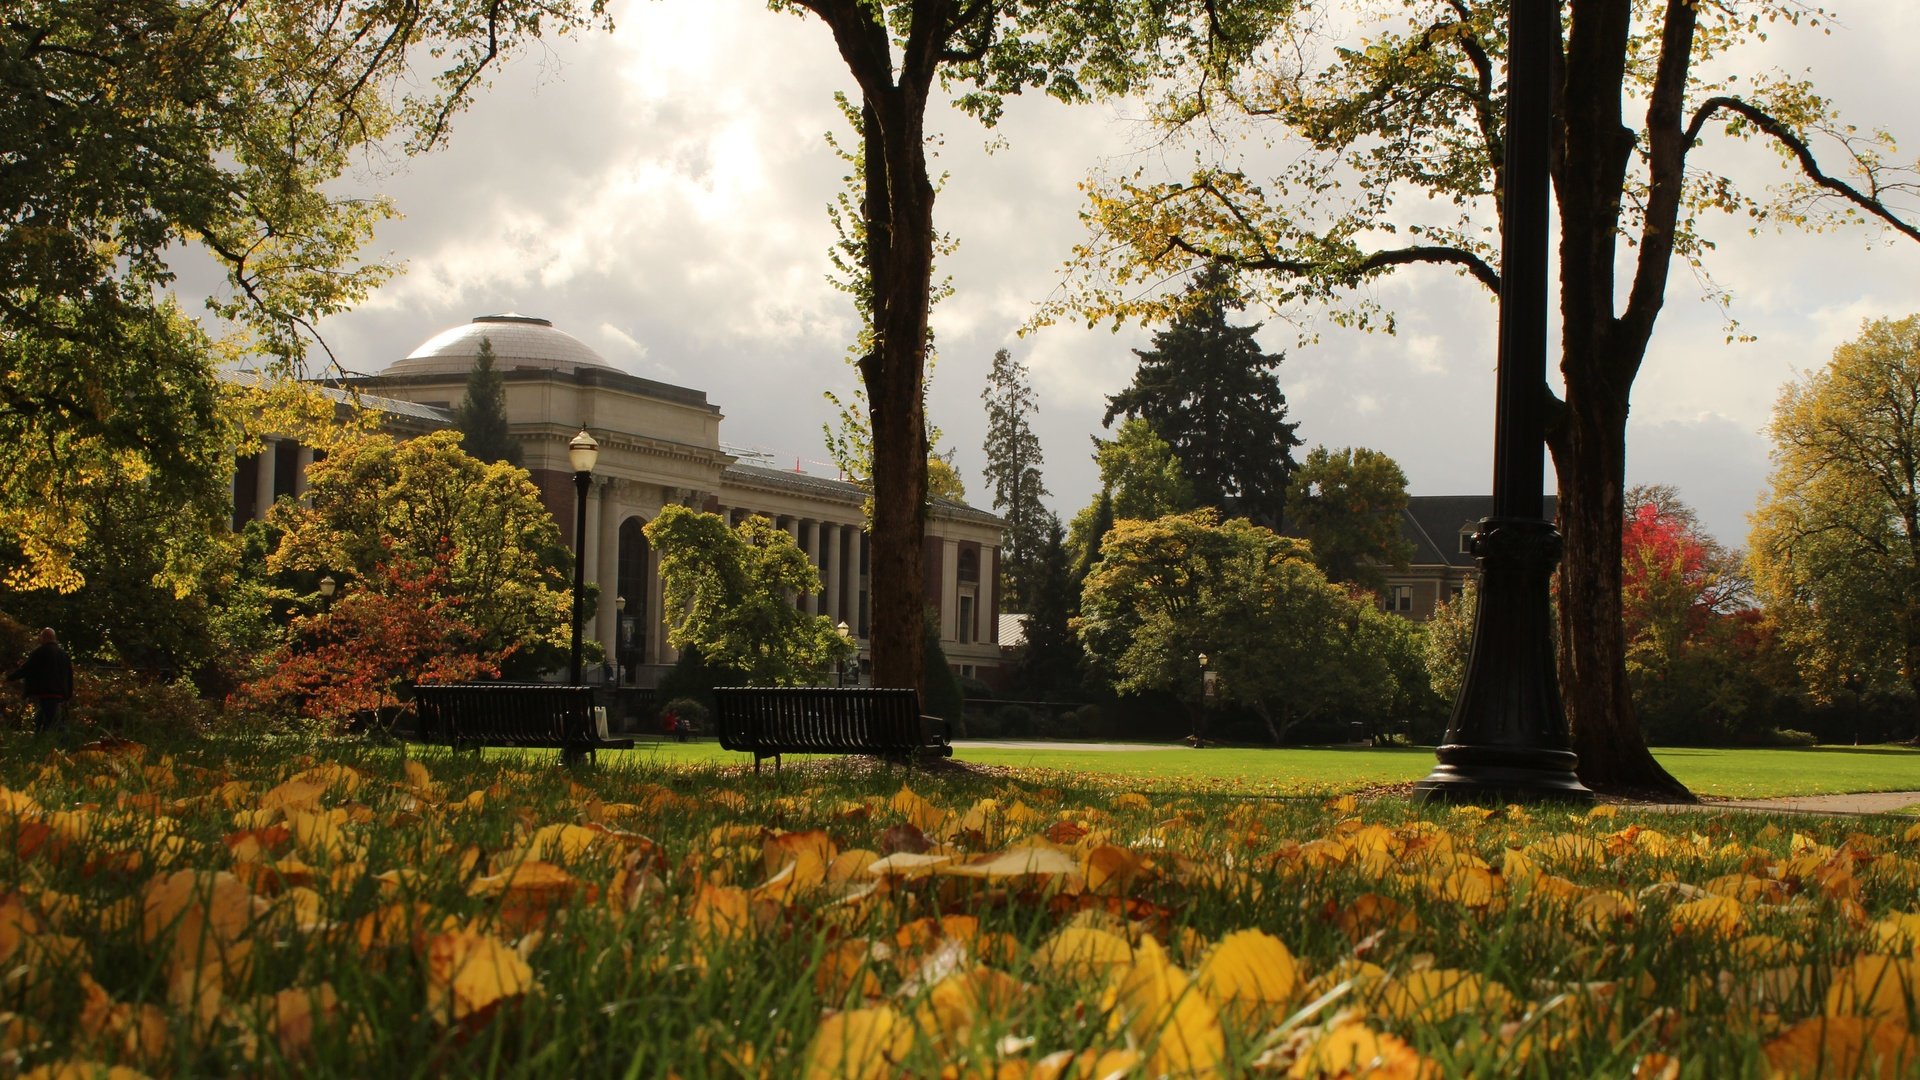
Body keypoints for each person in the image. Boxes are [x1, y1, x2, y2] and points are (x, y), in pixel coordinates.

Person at [9, 628, 74, 735]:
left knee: (54, 722)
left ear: (45, 637)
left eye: (41, 637)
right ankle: (38, 742)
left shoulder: (40, 652)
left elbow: (27, 669)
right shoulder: (63, 655)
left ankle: (68, 744)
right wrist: (68, 693)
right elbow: (69, 675)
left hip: (47, 692)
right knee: (41, 719)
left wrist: (10, 677)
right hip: (59, 693)